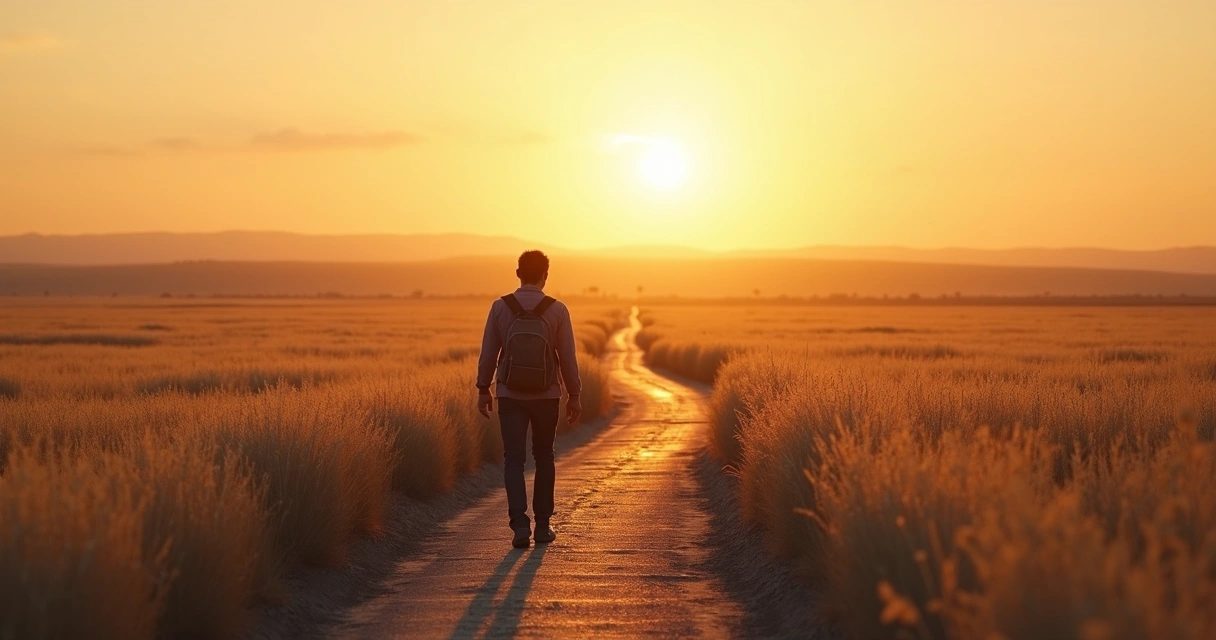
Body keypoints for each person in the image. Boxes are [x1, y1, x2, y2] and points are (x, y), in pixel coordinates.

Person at [477, 250, 582, 549]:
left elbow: (489, 354)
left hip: (509, 394)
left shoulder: (500, 307)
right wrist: (574, 395)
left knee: (513, 459)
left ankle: (519, 526)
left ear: (517, 273)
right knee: (544, 456)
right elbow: (568, 358)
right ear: (545, 276)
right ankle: (544, 526)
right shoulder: (558, 309)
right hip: (547, 395)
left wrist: (483, 389)